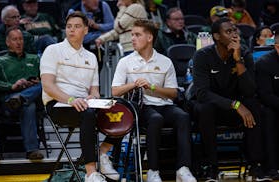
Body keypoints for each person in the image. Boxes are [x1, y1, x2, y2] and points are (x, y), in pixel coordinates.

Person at [112, 19, 197, 182]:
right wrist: (133, 84)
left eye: (137, 35)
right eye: (132, 35)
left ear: (149, 38)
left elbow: (173, 93)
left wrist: (152, 87)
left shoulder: (165, 61)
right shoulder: (125, 62)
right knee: (155, 119)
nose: (133, 39)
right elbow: (115, 90)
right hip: (141, 107)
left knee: (183, 117)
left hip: (164, 104)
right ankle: (152, 170)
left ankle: (183, 169)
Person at [40, 11, 120, 181]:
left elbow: (94, 90)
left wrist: (93, 96)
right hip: (58, 105)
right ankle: (91, 173)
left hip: (84, 104)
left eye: (77, 27)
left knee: (123, 110)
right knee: (88, 113)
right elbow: (47, 85)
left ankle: (103, 153)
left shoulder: (91, 57)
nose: (71, 30)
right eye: (69, 27)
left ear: (86, 30)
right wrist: (70, 99)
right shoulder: (53, 50)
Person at [192, 17, 264, 181]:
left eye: (235, 30)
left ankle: (255, 165)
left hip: (235, 108)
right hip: (213, 107)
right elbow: (202, 93)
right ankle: (211, 166)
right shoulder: (202, 56)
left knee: (253, 104)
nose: (234, 35)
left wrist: (238, 60)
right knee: (205, 109)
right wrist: (235, 104)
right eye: (228, 31)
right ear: (217, 36)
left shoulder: (244, 53)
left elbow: (250, 90)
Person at [0, 26, 43, 160]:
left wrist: (36, 82)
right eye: (14, 39)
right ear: (8, 42)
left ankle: (22, 97)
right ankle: (32, 150)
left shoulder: (34, 59)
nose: (19, 42)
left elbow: (45, 79)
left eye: (20, 39)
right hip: (9, 102)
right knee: (29, 106)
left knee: (45, 84)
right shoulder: (0, 61)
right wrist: (12, 86)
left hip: (30, 97)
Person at [255, 29, 279, 180]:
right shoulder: (264, 63)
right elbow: (265, 95)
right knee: (268, 113)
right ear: (277, 47)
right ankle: (272, 167)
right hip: (272, 104)